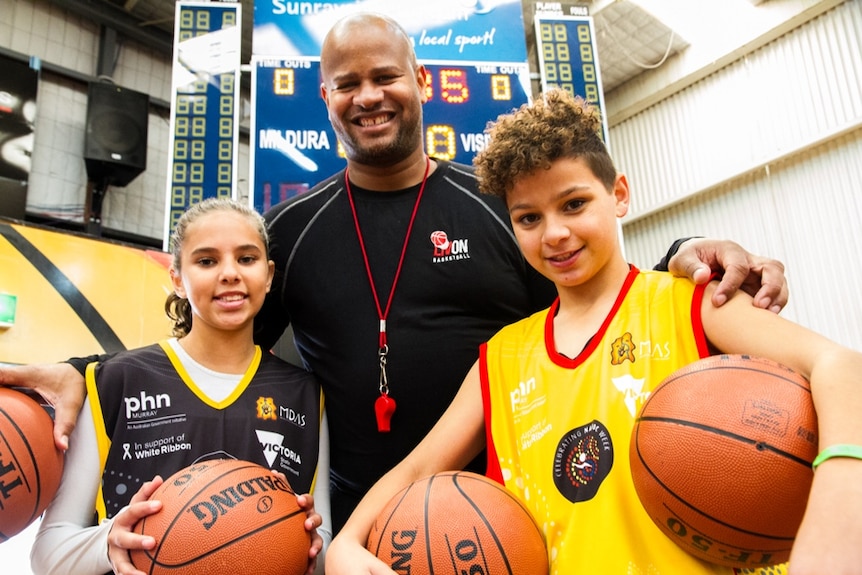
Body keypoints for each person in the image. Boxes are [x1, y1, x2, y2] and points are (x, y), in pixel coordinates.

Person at [1, 12, 789, 535]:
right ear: (326, 97)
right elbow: (209, 344)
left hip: (500, 513)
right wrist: (86, 373)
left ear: (419, 80)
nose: (368, 95)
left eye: (385, 76)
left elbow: (594, 296)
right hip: (354, 519)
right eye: (347, 83)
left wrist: (685, 250)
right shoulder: (295, 229)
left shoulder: (492, 208)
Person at [324, 89, 862, 574]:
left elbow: (841, 367)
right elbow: (418, 467)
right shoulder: (502, 357)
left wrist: (835, 516)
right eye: (528, 218)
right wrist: (346, 543)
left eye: (574, 204)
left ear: (620, 194)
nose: (555, 233)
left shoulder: (695, 303)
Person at [28, 198, 330, 575]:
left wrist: (308, 546)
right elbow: (48, 553)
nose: (230, 273)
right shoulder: (116, 381)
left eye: (246, 259)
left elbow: (322, 546)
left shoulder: (304, 394)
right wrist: (108, 541)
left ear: (268, 275)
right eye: (206, 261)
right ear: (177, 278)